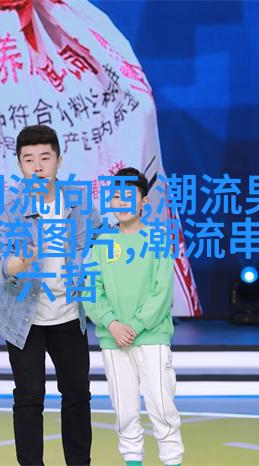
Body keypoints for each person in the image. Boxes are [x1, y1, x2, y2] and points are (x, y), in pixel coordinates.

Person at [0, 124, 102, 466]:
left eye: (44, 158)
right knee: (29, 396)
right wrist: (19, 263)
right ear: (19, 165)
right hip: (24, 319)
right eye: (29, 160)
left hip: (69, 314)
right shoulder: (8, 207)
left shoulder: (79, 203)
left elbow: (99, 243)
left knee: (77, 394)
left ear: (58, 160)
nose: (37, 167)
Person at [83, 167, 184, 466]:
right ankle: (132, 461)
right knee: (125, 412)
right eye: (116, 196)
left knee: (162, 409)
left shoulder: (157, 239)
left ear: (144, 202)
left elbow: (162, 292)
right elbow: (91, 289)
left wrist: (136, 326)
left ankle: (172, 460)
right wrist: (111, 323)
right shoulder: (101, 242)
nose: (122, 202)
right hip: (114, 341)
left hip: (152, 338)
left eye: (129, 195)